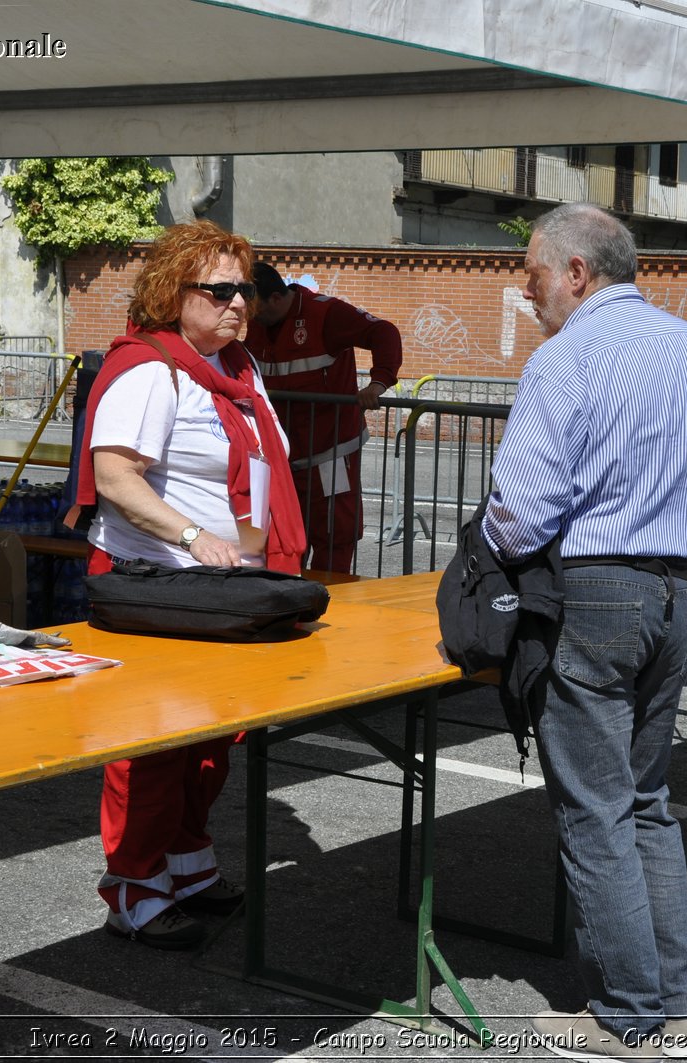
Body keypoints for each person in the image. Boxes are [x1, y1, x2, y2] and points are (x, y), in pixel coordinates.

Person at [482, 203, 687, 1061]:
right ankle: (675, 1003)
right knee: (645, 800)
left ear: (578, 273)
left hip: (595, 589)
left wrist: (488, 556)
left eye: (534, 271)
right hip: (678, 588)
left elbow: (518, 513)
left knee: (595, 811)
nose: (526, 287)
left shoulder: (566, 358)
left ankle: (627, 1012)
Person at [68, 220, 305, 950]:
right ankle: (133, 887)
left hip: (219, 592)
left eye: (249, 288)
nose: (241, 303)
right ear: (176, 292)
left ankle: (187, 867)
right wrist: (192, 536)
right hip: (157, 588)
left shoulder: (238, 369)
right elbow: (114, 478)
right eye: (222, 289)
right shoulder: (151, 370)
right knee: (152, 744)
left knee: (212, 741)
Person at [244, 261, 401, 574]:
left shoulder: (325, 314)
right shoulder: (259, 322)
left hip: (330, 454)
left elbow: (384, 332)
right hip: (283, 457)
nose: (250, 317)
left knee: (334, 535)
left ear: (276, 297)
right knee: (281, 534)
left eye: (255, 309)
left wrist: (379, 382)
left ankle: (335, 602)